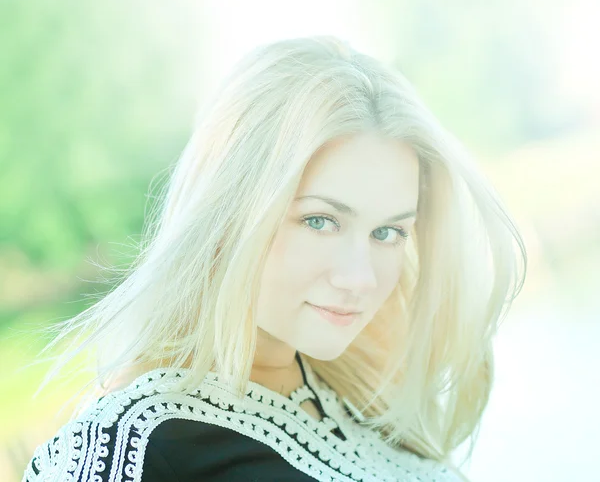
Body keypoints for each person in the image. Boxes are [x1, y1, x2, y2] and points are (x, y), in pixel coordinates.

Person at [22, 35, 526, 482]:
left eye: (388, 232)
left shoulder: (360, 400)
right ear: (232, 211)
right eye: (320, 221)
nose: (360, 278)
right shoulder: (135, 445)